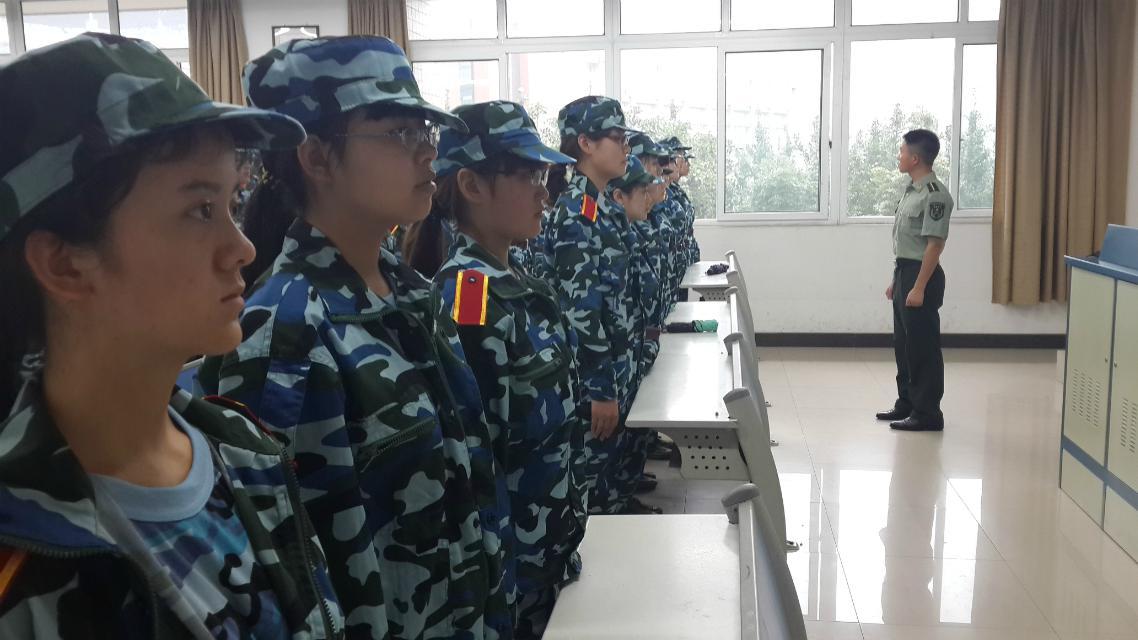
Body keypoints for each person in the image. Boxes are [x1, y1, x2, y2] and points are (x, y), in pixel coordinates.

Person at [0, 32, 344, 638]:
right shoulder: (20, 558)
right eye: (199, 210)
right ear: (64, 264)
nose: (242, 248)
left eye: (232, 202)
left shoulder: (245, 451)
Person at [198, 36, 512, 639]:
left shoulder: (410, 293)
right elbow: (292, 573)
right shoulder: (284, 332)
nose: (428, 153)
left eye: (426, 132)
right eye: (400, 133)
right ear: (316, 157)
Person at [419, 100, 588, 638]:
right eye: (527, 176)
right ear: (471, 185)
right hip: (514, 568)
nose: (544, 192)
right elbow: (478, 464)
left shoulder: (515, 279)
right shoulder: (470, 300)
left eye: (543, 177)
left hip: (548, 549)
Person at [539, 96, 658, 515]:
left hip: (618, 364)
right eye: (616, 138)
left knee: (609, 469)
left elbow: (619, 296)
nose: (626, 148)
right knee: (589, 482)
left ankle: (617, 520)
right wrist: (601, 392)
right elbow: (581, 312)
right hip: (594, 380)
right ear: (586, 144)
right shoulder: (576, 214)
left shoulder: (603, 206)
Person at [877, 129, 953, 432]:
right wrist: (896, 281)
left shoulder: (935, 194)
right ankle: (907, 402)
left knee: (922, 347)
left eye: (902, 151)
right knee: (904, 344)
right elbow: (906, 243)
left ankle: (928, 412)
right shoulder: (912, 191)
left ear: (915, 158)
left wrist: (919, 286)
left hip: (923, 274)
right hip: (905, 272)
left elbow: (934, 245)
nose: (899, 156)